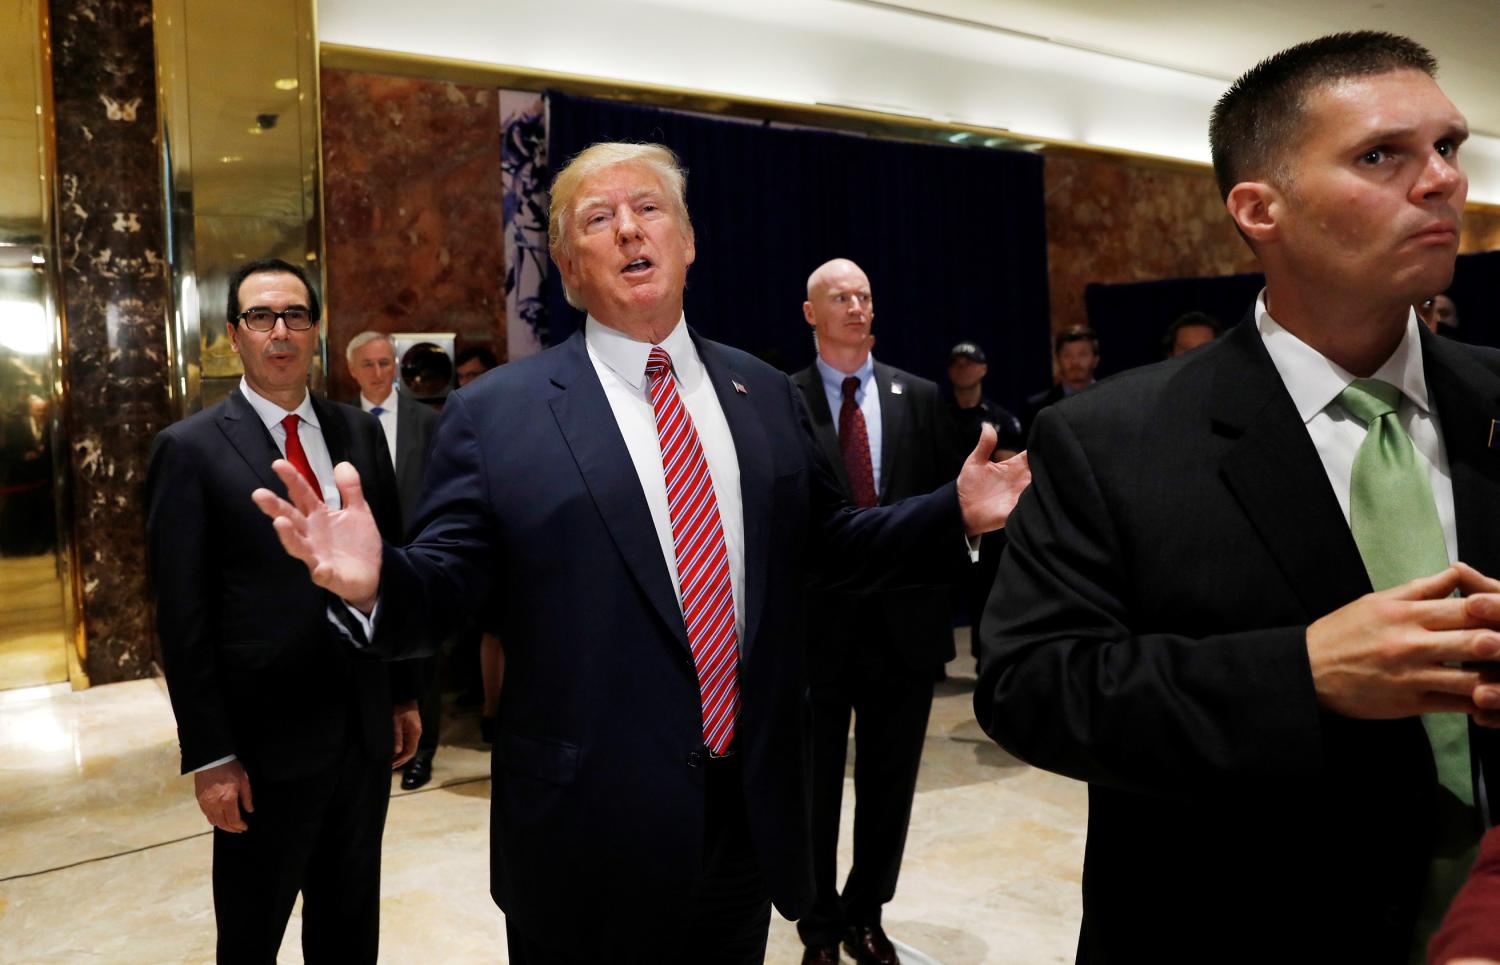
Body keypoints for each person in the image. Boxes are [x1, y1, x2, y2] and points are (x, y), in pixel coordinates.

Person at [250, 143, 1030, 963]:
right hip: (583, 837)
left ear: (688, 240)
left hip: (743, 821)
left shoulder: (762, 393)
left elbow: (828, 542)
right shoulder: (497, 413)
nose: (629, 228)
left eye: (649, 208)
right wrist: (378, 585)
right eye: (598, 217)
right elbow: (451, 584)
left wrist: (954, 512)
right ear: (567, 266)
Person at [974, 31, 1500, 963]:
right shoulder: (1115, 437)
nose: (1442, 182)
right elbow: (1031, 687)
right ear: (1261, 209)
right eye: (1382, 155)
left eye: (1448, 147)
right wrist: (1296, 675)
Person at [145, 258, 421, 963]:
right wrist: (211, 754)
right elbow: (184, 615)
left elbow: (391, 568)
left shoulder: (357, 435)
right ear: (233, 335)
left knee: (349, 923)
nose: (280, 331)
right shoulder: (190, 449)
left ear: (316, 330)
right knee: (251, 933)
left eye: (295, 315)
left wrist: (401, 690)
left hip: (361, 735)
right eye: (261, 317)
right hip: (261, 749)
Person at [789, 258, 967, 965]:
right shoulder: (782, 397)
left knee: (888, 790)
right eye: (840, 296)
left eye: (864, 296)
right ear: (811, 312)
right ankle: (819, 927)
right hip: (815, 632)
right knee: (812, 795)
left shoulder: (918, 395)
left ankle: (867, 914)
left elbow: (944, 502)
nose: (857, 307)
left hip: (903, 631)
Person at [346, 330, 442, 789]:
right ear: (352, 370)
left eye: (386, 363)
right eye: (370, 364)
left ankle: (424, 752)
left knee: (423, 659)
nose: (380, 373)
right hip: (359, 565)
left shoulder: (429, 421)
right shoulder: (338, 424)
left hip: (415, 560)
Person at [944, 342, 1024, 663]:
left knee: (986, 589)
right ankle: (933, 662)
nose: (963, 369)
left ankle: (985, 656)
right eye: (957, 363)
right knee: (937, 588)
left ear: (984, 369)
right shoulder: (935, 414)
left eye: (970, 363)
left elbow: (1008, 471)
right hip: (945, 514)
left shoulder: (1001, 419)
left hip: (987, 524)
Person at [451, 343, 506, 740]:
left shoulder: (514, 405)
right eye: (463, 376)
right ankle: (490, 711)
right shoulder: (458, 413)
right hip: (481, 539)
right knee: (489, 629)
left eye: (475, 374)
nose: (468, 382)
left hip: (515, 535)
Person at [1021, 326, 1098, 435]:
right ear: (1057, 359)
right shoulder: (1038, 409)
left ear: (1095, 359)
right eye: (1067, 355)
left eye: (1082, 354)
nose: (1075, 362)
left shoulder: (1112, 402)